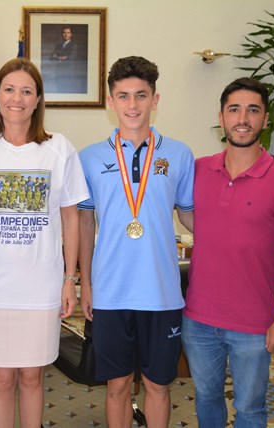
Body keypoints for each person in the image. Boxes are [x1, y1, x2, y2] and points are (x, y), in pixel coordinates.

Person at [0, 57, 89, 428]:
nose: (17, 98)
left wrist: (69, 278)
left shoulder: (59, 149)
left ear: (38, 100)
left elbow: (70, 218)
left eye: (26, 91)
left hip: (41, 284)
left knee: (32, 377)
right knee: (0, 378)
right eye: (9, 89)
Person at [182, 77, 274, 427]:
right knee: (207, 398)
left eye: (253, 110)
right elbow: (187, 213)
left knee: (250, 409)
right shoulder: (198, 170)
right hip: (198, 319)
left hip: (254, 324)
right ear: (222, 117)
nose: (243, 118)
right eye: (234, 110)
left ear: (266, 119)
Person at [78, 56, 194, 427]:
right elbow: (83, 223)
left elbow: (189, 215)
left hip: (161, 293)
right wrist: (85, 283)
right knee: (117, 385)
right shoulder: (90, 158)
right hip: (111, 292)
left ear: (155, 100)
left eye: (141, 95)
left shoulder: (179, 154)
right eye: (123, 96)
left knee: (158, 385)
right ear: (110, 102)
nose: (132, 105)